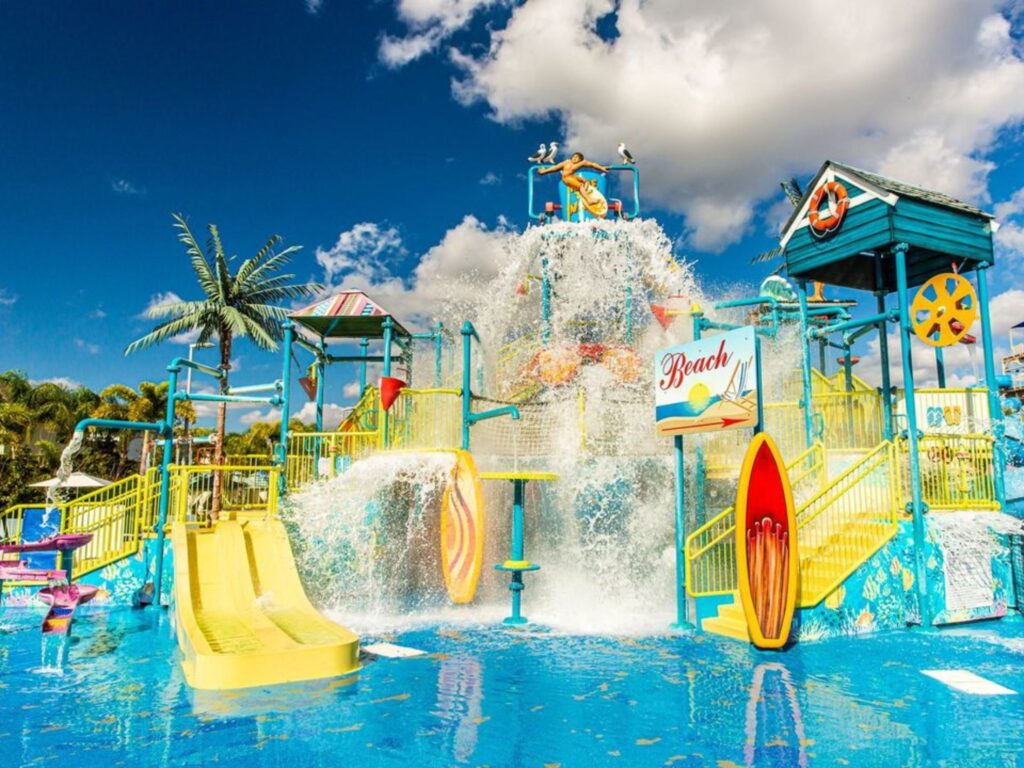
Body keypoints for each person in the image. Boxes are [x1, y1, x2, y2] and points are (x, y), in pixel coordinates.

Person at [538, 152, 609, 218]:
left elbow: (592, 164)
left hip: (571, 176)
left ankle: (585, 192)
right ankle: (589, 199)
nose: (574, 158)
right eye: (573, 156)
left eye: (577, 157)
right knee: (580, 186)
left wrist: (602, 168)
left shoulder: (581, 163)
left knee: (585, 181)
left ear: (580, 160)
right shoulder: (567, 162)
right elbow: (556, 168)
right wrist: (545, 171)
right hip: (566, 177)